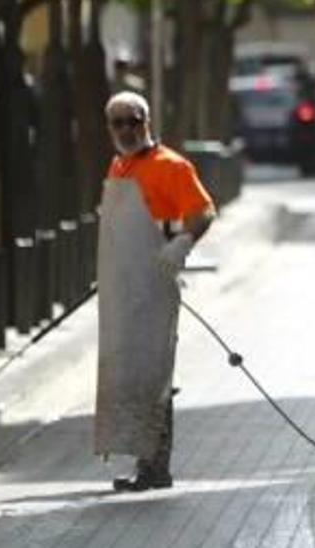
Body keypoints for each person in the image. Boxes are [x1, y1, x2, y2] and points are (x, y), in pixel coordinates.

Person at [97, 91, 215, 492]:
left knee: (153, 372)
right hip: (122, 289)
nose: (127, 129)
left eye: (134, 121)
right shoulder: (118, 166)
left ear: (147, 122)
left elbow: (203, 211)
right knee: (127, 373)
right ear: (110, 128)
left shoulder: (172, 167)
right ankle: (142, 457)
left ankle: (155, 466)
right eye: (119, 123)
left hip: (154, 284)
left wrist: (181, 244)